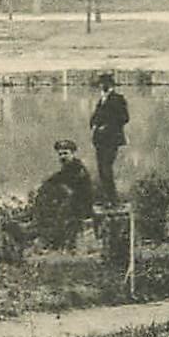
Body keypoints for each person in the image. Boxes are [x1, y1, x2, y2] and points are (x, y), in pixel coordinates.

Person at [32, 139, 95, 250]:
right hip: (69, 204)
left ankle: (57, 243)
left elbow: (77, 192)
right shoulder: (67, 168)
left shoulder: (78, 169)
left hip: (80, 206)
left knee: (60, 215)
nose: (62, 157)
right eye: (60, 154)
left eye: (66, 153)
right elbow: (56, 179)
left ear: (73, 154)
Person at [89, 72, 130, 204]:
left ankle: (113, 199)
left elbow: (124, 118)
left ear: (110, 85)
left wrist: (106, 127)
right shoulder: (102, 100)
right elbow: (95, 116)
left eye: (104, 84)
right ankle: (108, 198)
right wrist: (93, 125)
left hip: (112, 139)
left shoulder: (118, 99)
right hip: (100, 140)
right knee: (102, 169)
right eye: (101, 84)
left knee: (107, 168)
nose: (102, 86)